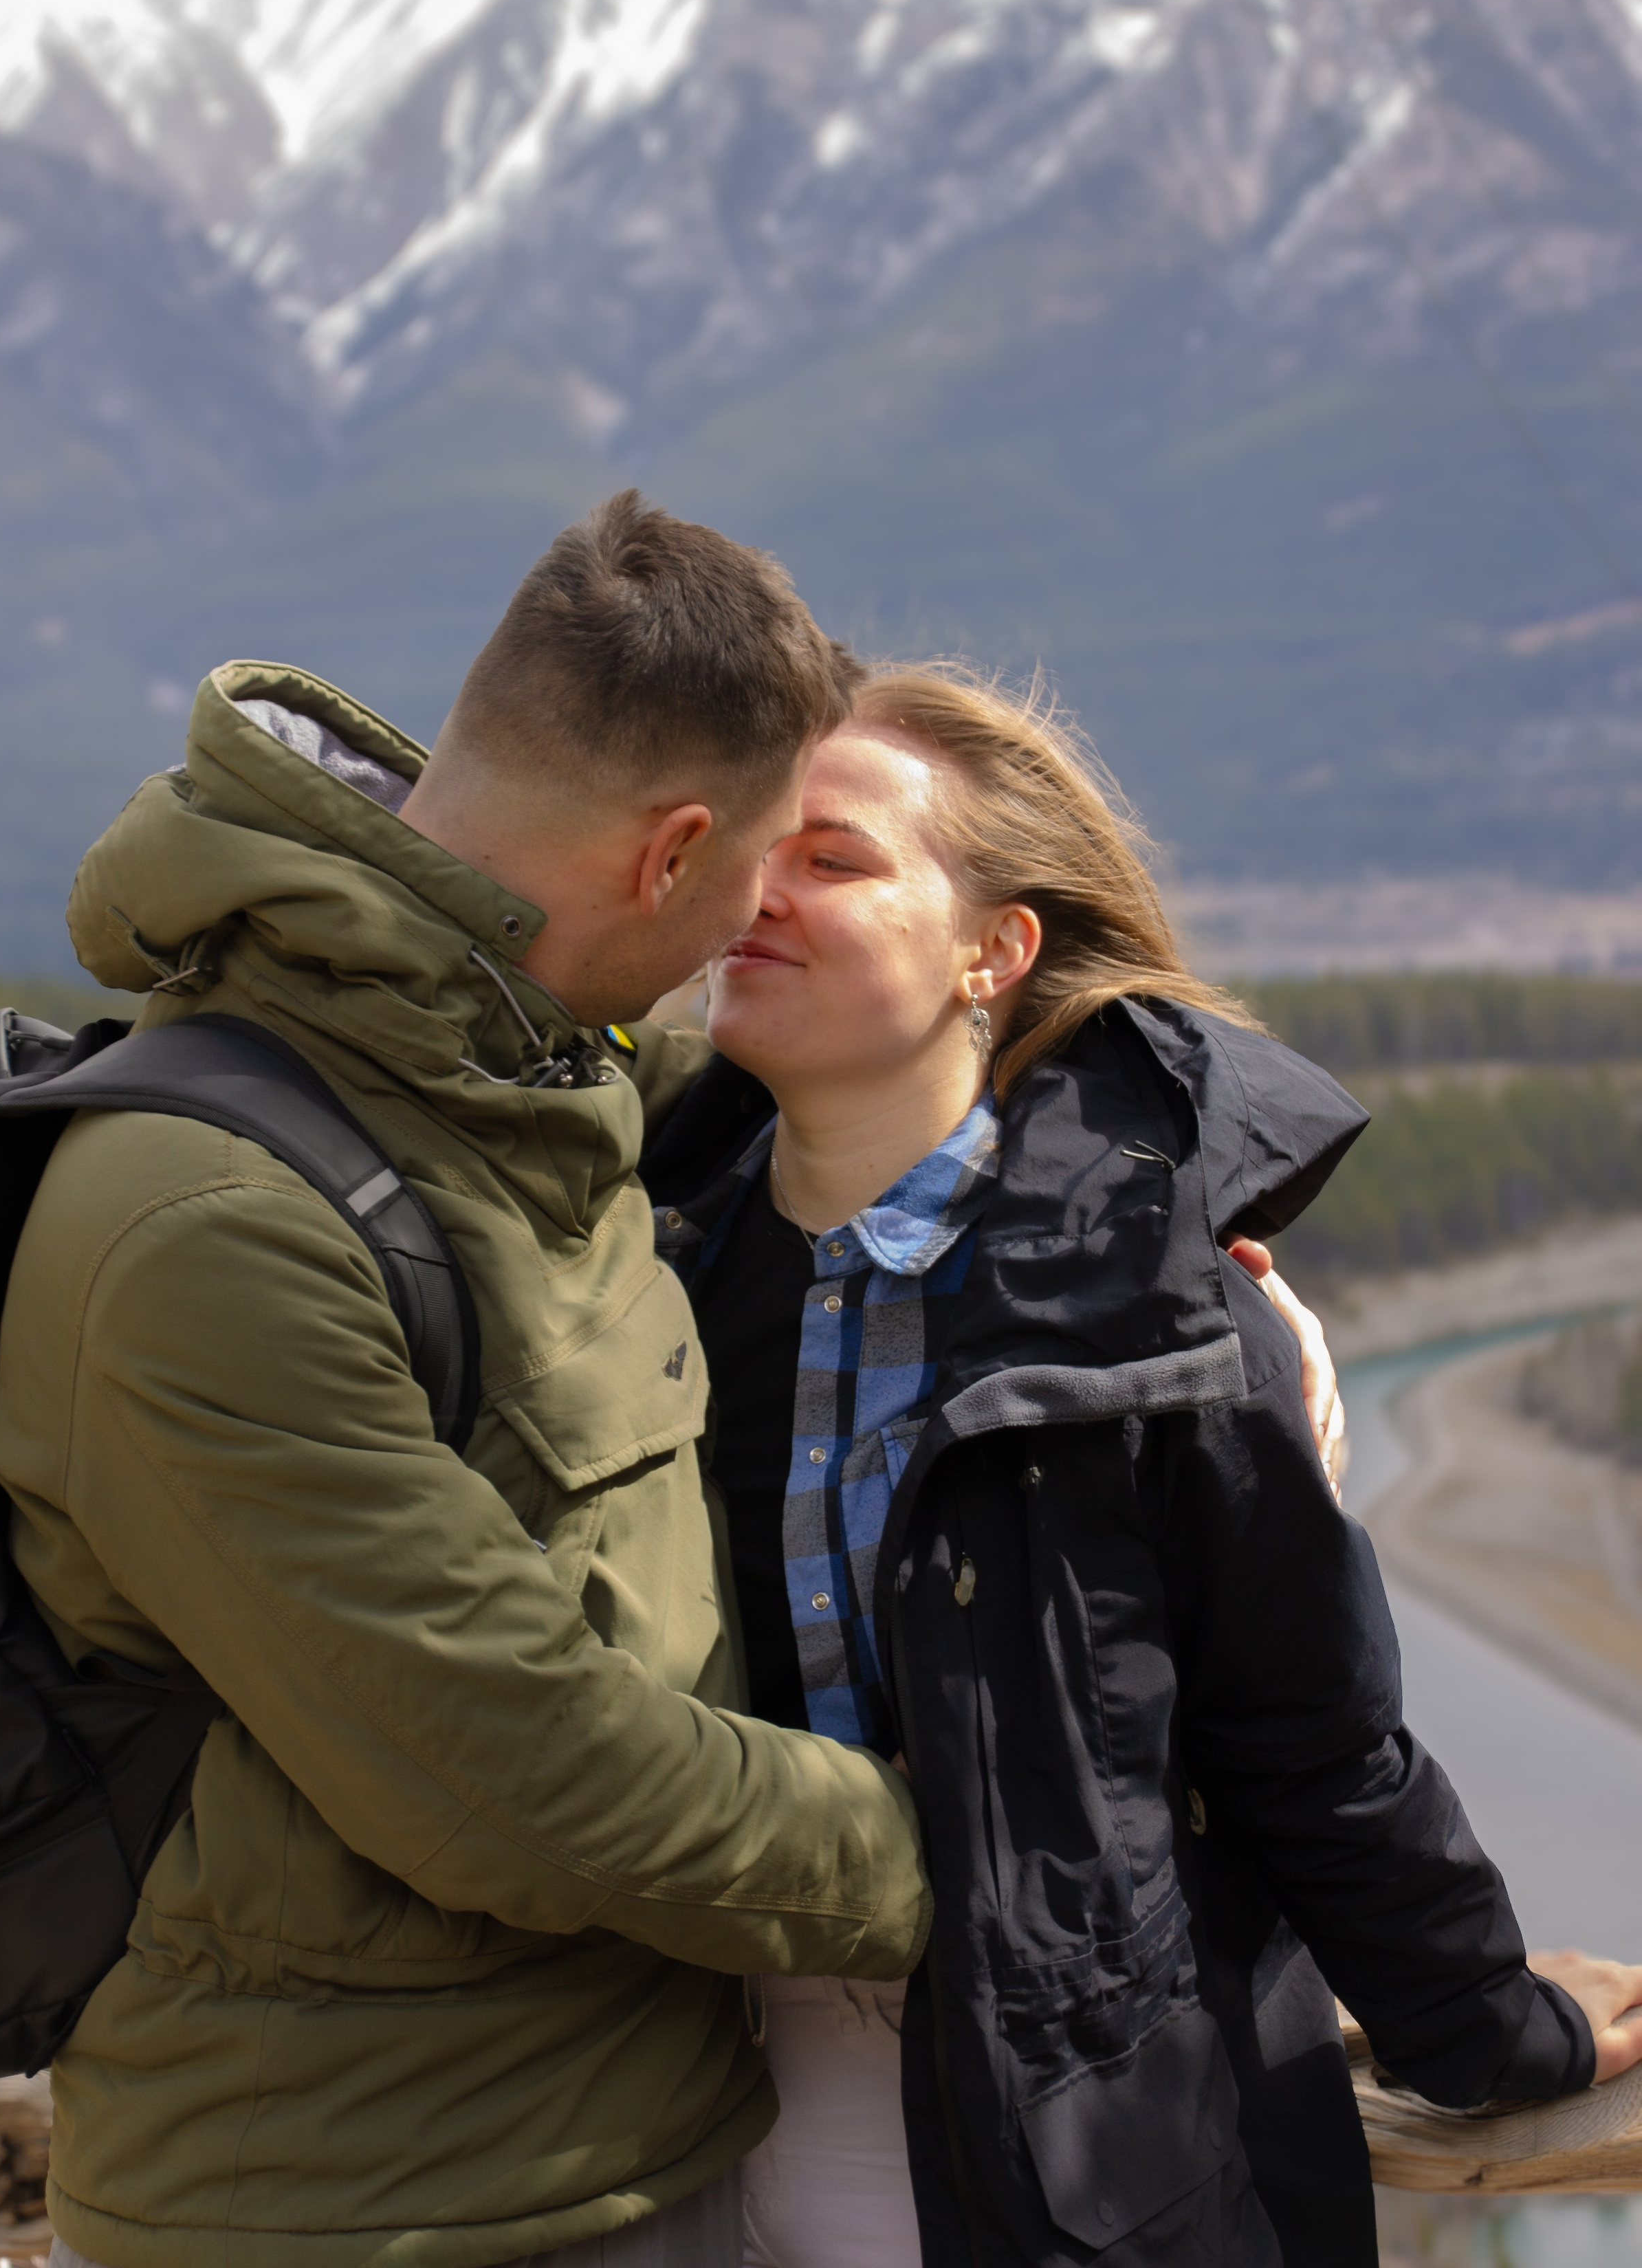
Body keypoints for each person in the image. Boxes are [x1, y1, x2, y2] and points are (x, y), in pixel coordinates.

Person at [0, 496, 933, 2268]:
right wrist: (975, 1845)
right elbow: (526, 1779)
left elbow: (852, 1125)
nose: (760, 919)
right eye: (760, 865)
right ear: (668, 858)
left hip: (623, 2148)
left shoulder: (515, 1079)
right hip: (365, 2209)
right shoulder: (209, 1228)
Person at [641, 664, 1642, 2268]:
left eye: (832, 859)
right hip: (702, 2128)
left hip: (1077, 2152)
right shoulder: (647, 1277)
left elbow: (1312, 1750)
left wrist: (1487, 2032)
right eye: (752, 847)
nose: (757, 892)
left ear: (995, 948)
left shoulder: (1162, 1313)